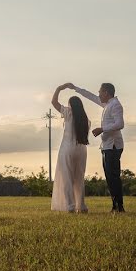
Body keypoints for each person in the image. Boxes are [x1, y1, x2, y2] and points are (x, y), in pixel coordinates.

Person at [67, 82, 125, 213]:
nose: (98, 94)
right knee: (109, 177)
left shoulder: (115, 105)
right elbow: (91, 97)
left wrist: (102, 129)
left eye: (100, 92)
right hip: (106, 146)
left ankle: (119, 206)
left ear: (106, 92)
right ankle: (115, 206)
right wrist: (75, 88)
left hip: (114, 146)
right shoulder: (107, 104)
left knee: (113, 177)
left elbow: (120, 124)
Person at [50, 84, 90, 212]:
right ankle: (81, 206)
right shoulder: (86, 119)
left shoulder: (68, 113)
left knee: (67, 177)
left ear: (70, 105)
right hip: (82, 150)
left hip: (67, 149)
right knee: (79, 178)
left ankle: (70, 206)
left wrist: (59, 88)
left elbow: (54, 102)